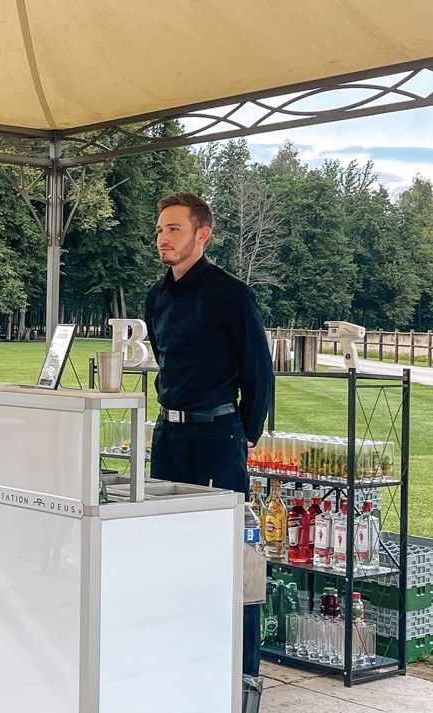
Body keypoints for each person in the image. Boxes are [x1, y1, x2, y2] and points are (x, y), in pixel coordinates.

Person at [144, 192, 273, 685]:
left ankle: (239, 672)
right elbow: (165, 359)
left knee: (225, 553)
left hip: (218, 434)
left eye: (173, 229)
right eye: (159, 230)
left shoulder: (231, 294)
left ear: (203, 234)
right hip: (168, 437)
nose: (162, 238)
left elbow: (258, 372)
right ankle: (175, 651)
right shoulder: (156, 297)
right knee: (164, 546)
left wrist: (245, 434)